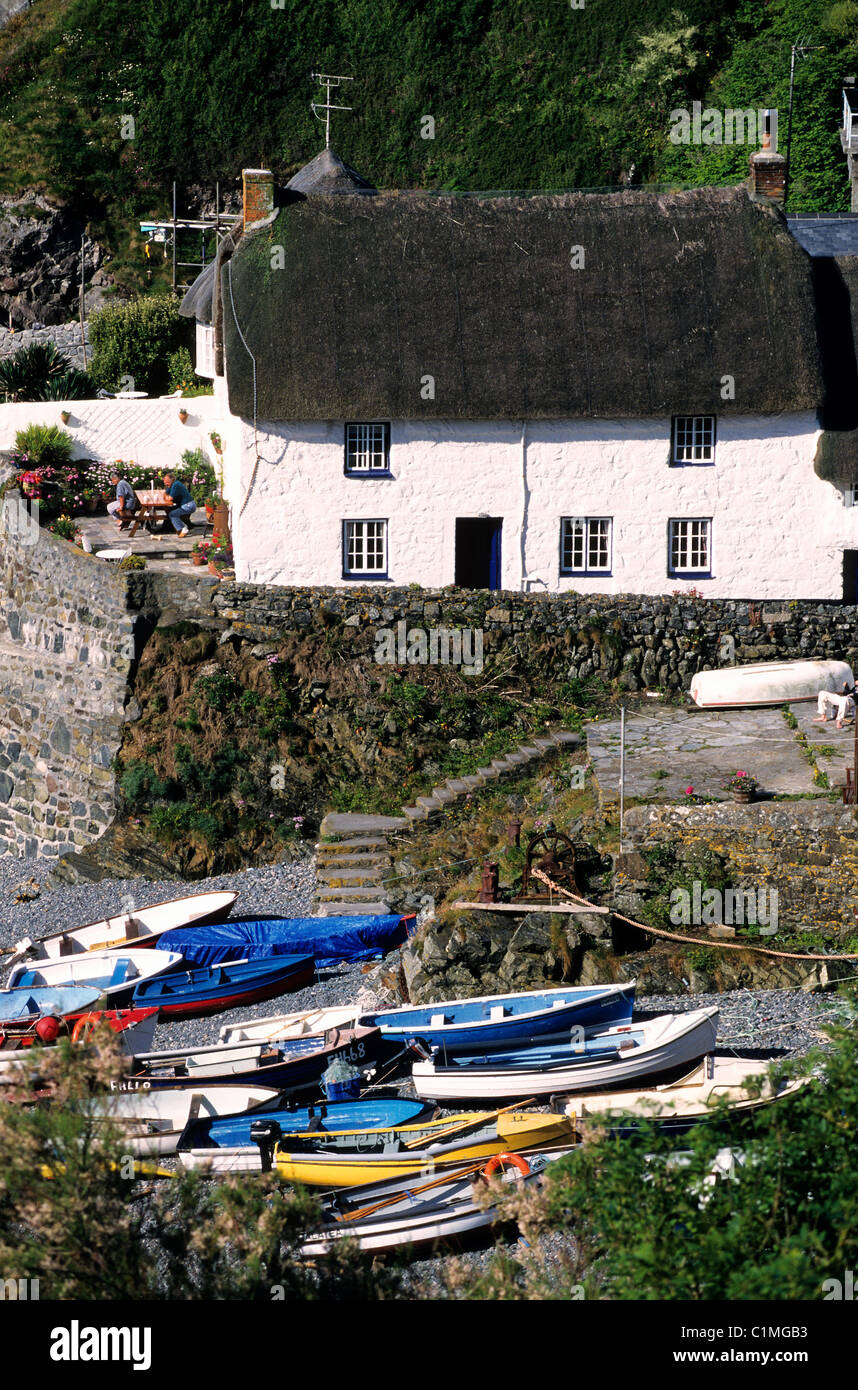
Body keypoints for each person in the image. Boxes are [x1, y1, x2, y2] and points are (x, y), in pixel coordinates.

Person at [162, 472, 196, 536]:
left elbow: (170, 498)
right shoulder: (171, 485)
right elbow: (165, 493)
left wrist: (166, 497)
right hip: (185, 505)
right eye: (165, 482)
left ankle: (184, 528)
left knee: (172, 514)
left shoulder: (176, 485)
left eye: (167, 482)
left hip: (188, 506)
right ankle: (170, 527)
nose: (166, 484)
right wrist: (166, 496)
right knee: (170, 509)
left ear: (171, 480)